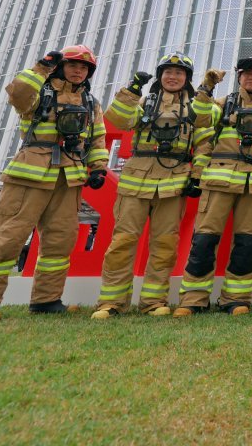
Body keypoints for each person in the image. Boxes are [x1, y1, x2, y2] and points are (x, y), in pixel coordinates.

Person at [0, 45, 109, 321]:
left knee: (60, 242)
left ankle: (46, 300)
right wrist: (41, 67)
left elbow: (97, 139)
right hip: (30, 174)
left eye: (84, 67)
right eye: (72, 65)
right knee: (8, 238)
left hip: (68, 177)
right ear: (60, 67)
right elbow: (17, 93)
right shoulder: (40, 93)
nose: (78, 70)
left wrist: (98, 167)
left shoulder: (91, 103)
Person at [91, 52, 215, 319]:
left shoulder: (197, 108)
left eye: (179, 73)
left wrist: (197, 175)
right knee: (123, 241)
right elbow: (119, 119)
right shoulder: (144, 102)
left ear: (187, 79)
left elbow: (205, 141)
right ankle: (111, 302)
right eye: (168, 72)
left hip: (174, 181)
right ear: (159, 76)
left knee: (165, 244)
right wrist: (132, 90)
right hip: (136, 180)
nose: (173, 77)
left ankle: (153, 301)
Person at [174, 57, 252, 316]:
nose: (251, 78)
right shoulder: (222, 103)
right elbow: (200, 119)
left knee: (246, 244)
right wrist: (205, 89)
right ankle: (193, 299)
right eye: (246, 73)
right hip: (218, 183)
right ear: (239, 77)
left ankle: (236, 298)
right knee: (204, 240)